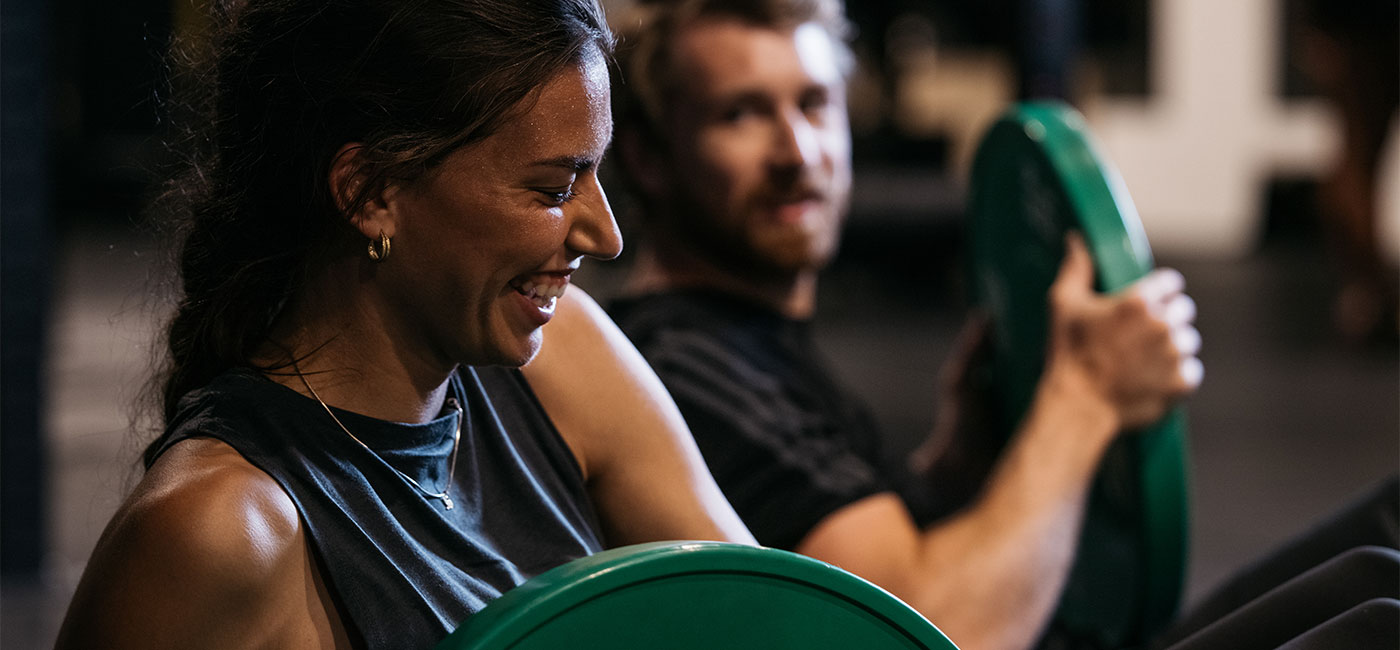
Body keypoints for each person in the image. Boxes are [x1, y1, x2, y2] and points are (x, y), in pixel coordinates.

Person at [604, 1, 1398, 649]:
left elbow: (844, 554)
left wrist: (955, 469)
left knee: (1381, 552)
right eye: (740, 114)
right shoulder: (686, 370)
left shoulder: (746, 335)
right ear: (646, 155)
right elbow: (933, 636)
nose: (797, 150)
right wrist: (1082, 397)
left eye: (814, 104)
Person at [53, 1, 753, 648]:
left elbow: (773, 620)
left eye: (596, 176)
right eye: (554, 188)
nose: (606, 236)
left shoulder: (563, 354)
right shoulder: (218, 532)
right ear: (371, 192)